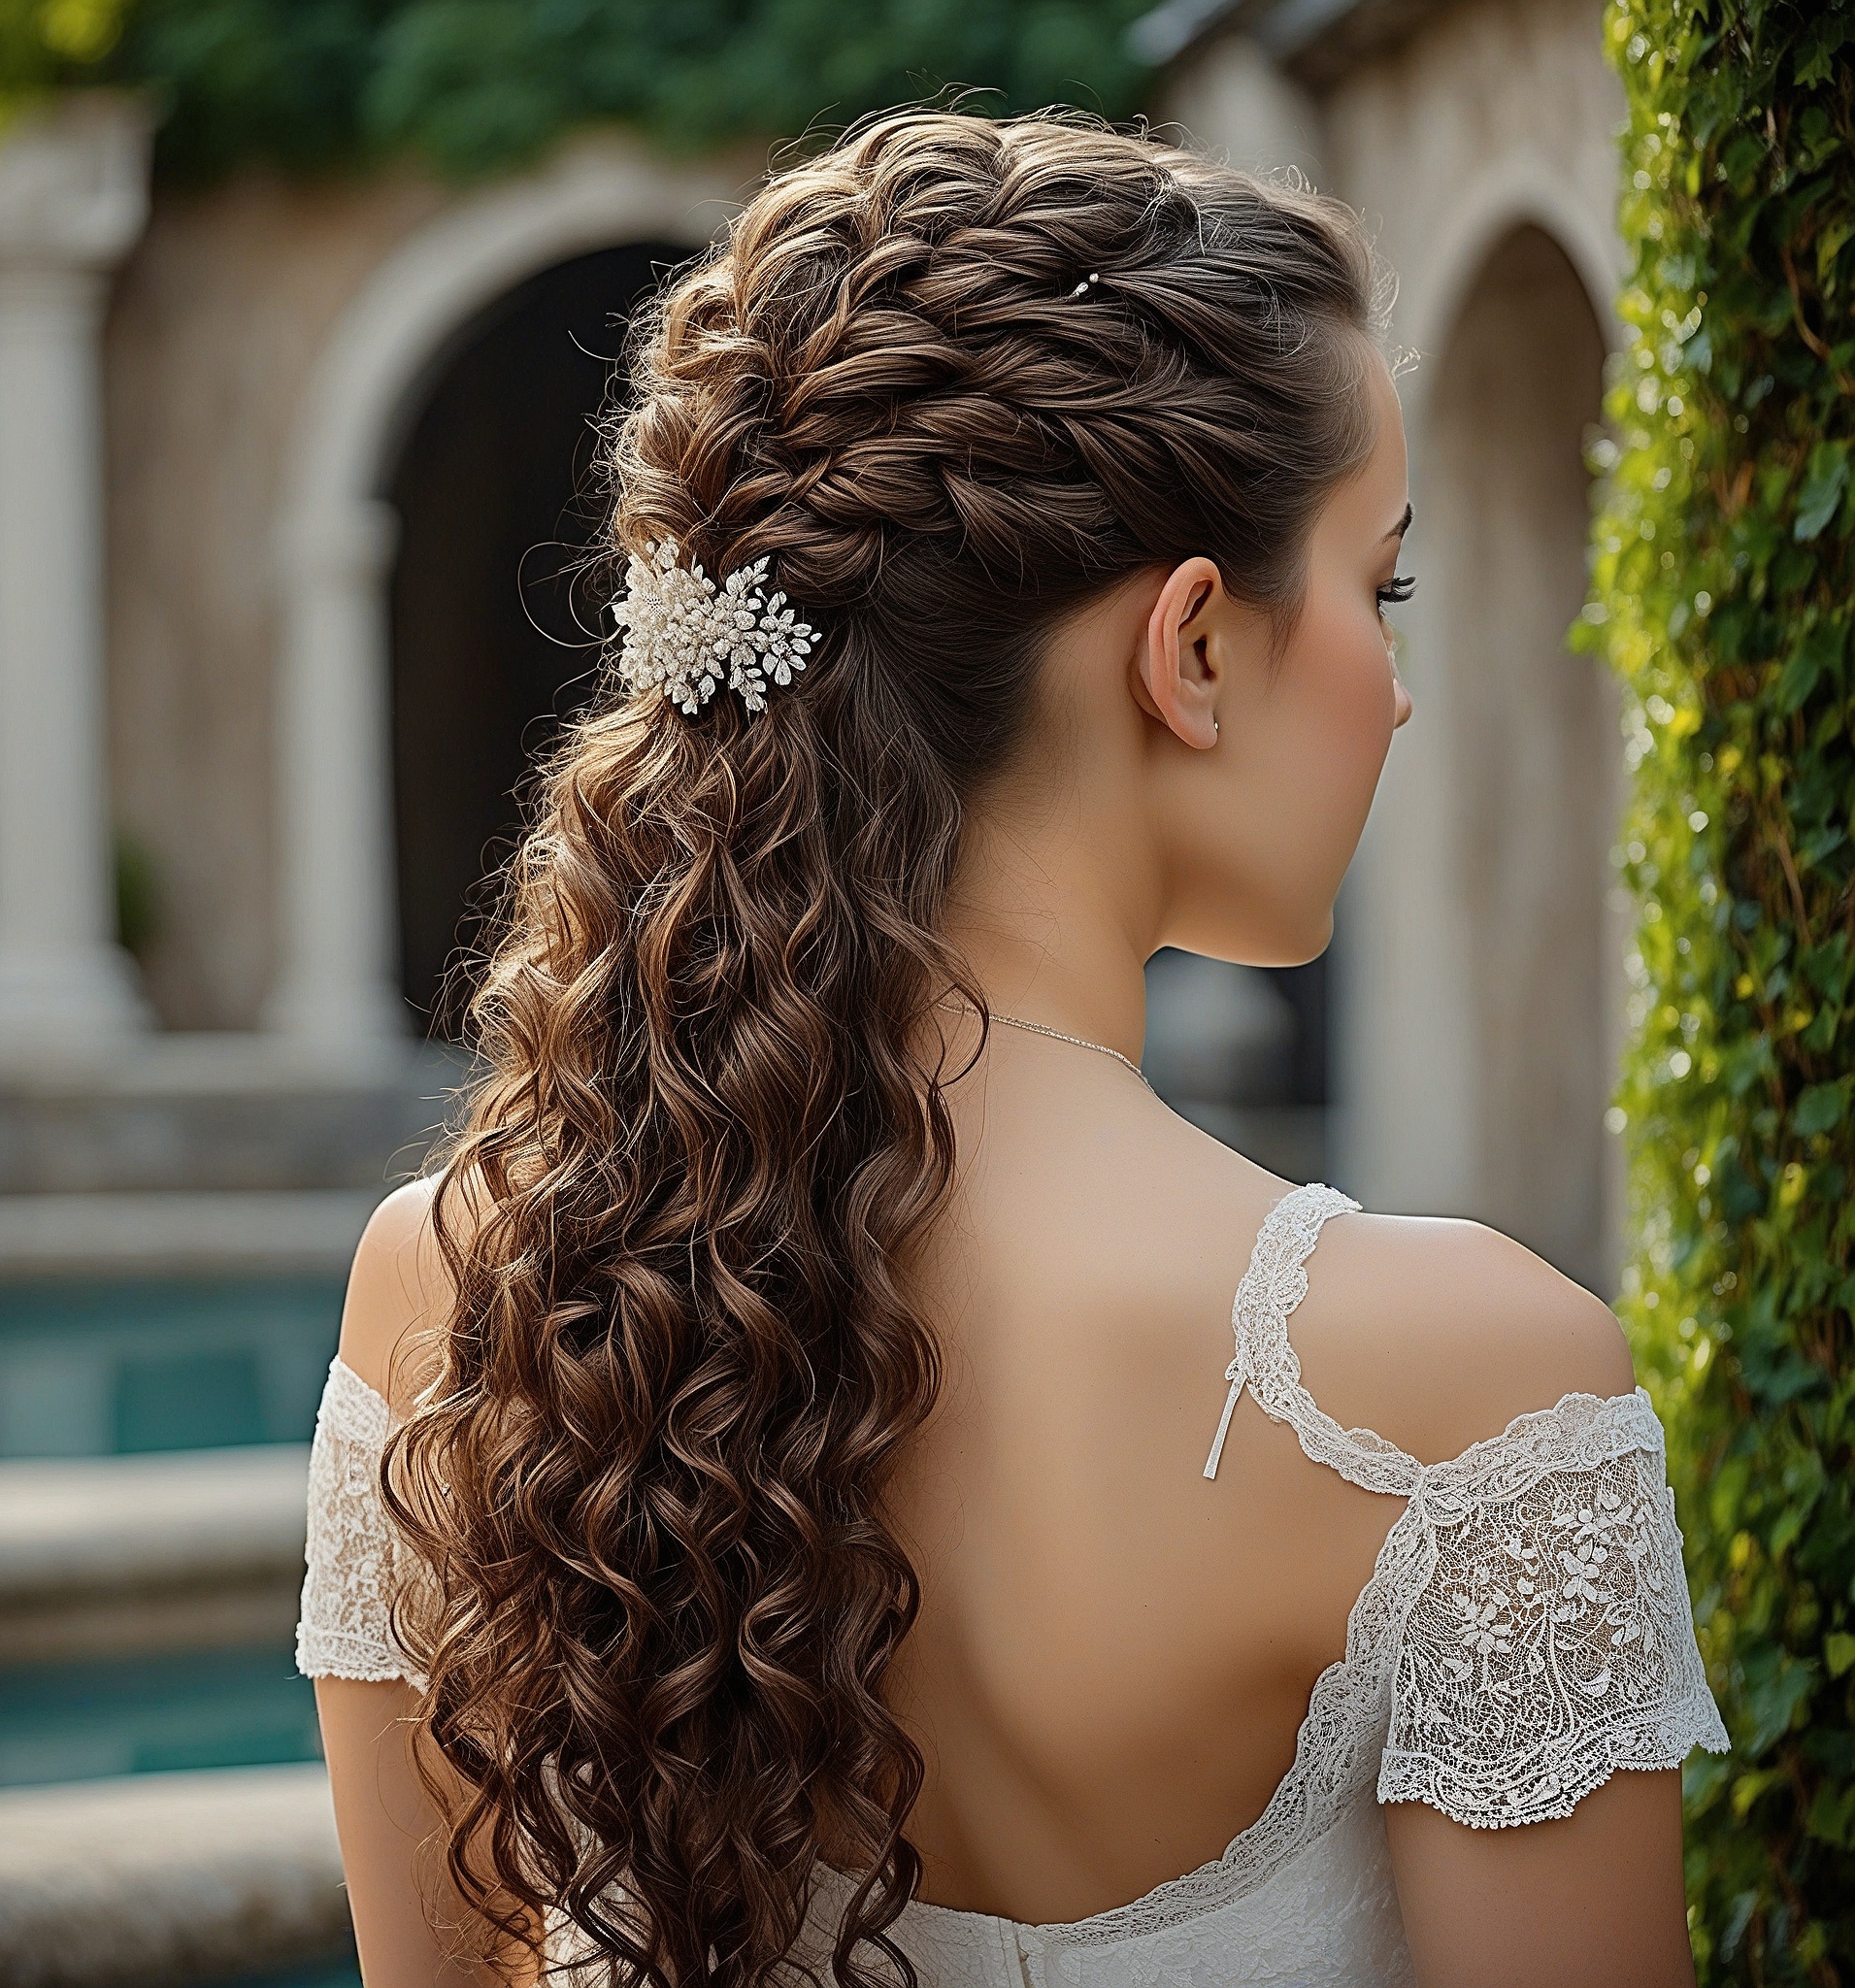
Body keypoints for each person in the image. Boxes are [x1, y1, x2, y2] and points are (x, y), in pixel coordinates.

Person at [297, 109, 1728, 1988]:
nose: (1392, 688)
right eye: (1379, 584)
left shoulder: (463, 1285)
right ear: (1191, 645)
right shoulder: (1453, 1385)